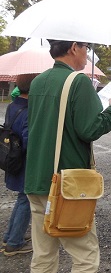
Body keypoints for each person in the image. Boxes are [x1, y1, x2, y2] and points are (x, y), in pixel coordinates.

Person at [25, 40, 111, 272]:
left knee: (43, 255)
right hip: (66, 184)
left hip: (37, 179)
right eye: (86, 49)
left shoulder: (38, 81)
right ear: (73, 47)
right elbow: (90, 129)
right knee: (85, 255)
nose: (86, 55)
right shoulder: (78, 81)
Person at [2, 74, 37, 256]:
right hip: (24, 162)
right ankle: (15, 242)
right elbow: (29, 140)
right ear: (33, 89)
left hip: (12, 158)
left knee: (22, 198)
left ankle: (10, 236)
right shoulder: (30, 110)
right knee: (26, 199)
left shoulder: (12, 105)